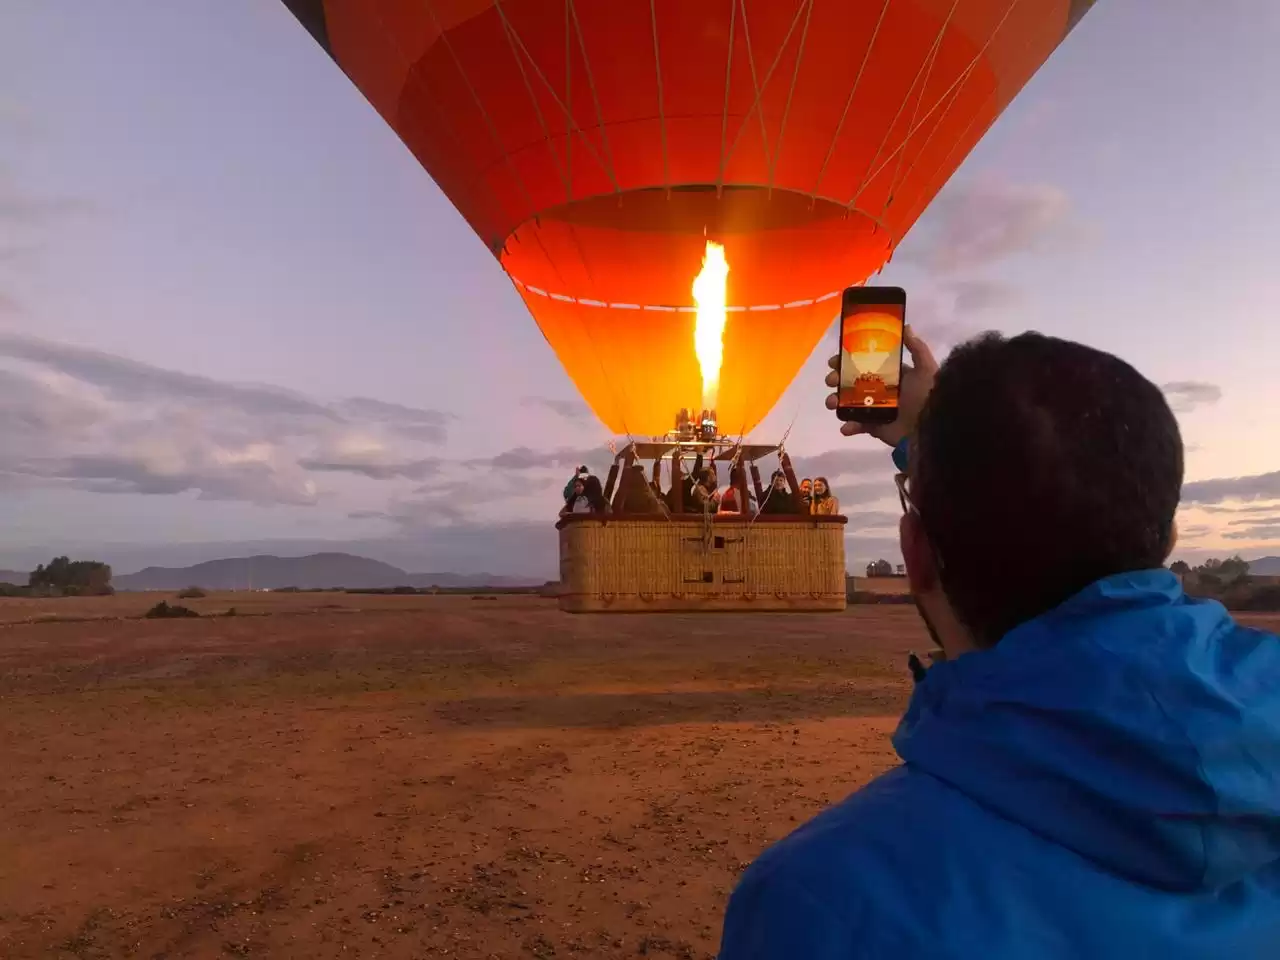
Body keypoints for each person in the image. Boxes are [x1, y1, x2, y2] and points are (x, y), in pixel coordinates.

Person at [718, 325, 1280, 959]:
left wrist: (930, 450)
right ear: (1171, 537)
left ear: (914, 554)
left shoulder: (819, 901)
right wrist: (931, 445)